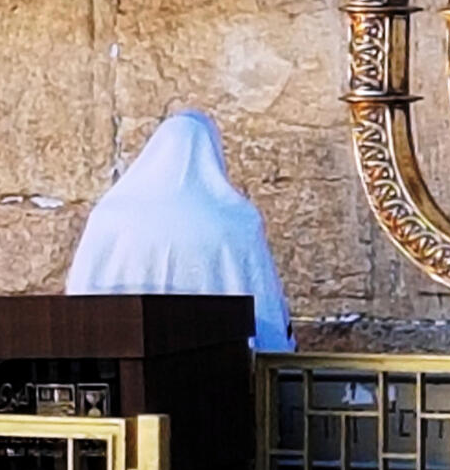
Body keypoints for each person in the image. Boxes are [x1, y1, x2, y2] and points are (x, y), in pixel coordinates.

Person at [65, 109, 294, 352]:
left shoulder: (108, 217)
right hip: (216, 372)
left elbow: (78, 300)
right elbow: (266, 312)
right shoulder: (235, 221)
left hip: (119, 375)